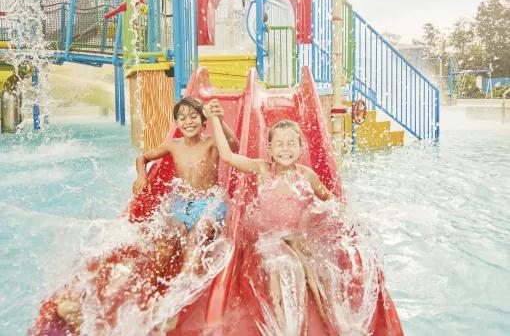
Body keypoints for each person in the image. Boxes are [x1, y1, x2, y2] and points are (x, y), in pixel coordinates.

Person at [32, 97, 239, 335]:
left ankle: (174, 306)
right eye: (182, 118)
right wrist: (142, 176)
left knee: (194, 241)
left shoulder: (212, 142)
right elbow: (143, 157)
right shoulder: (173, 145)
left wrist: (220, 121)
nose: (188, 121)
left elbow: (233, 145)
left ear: (203, 122)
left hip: (208, 203)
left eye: (194, 117)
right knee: (162, 242)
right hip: (182, 205)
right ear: (176, 122)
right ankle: (144, 291)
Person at [207, 109, 390, 335]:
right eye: (280, 144)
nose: (286, 149)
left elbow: (329, 199)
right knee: (280, 268)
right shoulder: (262, 169)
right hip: (269, 238)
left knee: (321, 271)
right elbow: (228, 157)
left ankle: (338, 321)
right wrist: (215, 119)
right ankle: (284, 325)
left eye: (292, 143)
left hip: (297, 236)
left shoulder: (306, 175)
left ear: (301, 147)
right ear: (270, 149)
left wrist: (347, 217)